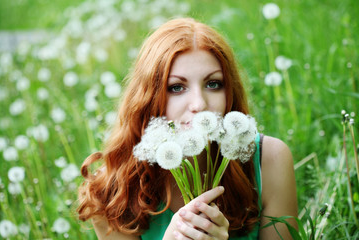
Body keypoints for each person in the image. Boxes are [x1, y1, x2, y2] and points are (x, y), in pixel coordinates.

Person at [77, 17, 298, 240]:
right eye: (176, 87)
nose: (199, 104)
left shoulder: (269, 161)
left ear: (229, 92)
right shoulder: (112, 191)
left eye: (213, 84)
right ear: (148, 98)